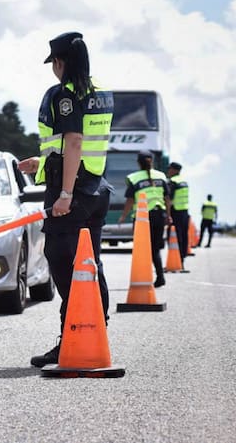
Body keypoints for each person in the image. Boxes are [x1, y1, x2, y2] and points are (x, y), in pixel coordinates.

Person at [17, 31, 114, 368]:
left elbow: (74, 141)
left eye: (54, 63)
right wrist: (42, 162)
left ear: (61, 62)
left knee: (62, 259)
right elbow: (81, 145)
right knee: (88, 262)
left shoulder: (66, 94)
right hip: (96, 188)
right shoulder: (100, 91)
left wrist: (65, 194)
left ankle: (76, 333)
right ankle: (95, 327)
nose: (53, 69)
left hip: (73, 192)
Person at [117, 150, 172, 287]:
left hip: (143, 219)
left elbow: (130, 200)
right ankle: (159, 276)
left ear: (138, 162)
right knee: (155, 249)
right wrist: (168, 216)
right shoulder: (161, 176)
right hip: (160, 215)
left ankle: (144, 278)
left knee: (142, 249)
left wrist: (123, 216)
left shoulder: (134, 178)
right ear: (152, 161)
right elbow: (167, 199)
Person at [166, 162, 189, 267]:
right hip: (184, 211)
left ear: (175, 170)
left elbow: (169, 200)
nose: (168, 171)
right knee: (183, 236)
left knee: (174, 237)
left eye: (170, 169)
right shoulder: (184, 181)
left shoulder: (173, 182)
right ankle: (182, 259)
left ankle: (176, 260)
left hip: (175, 212)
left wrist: (167, 214)